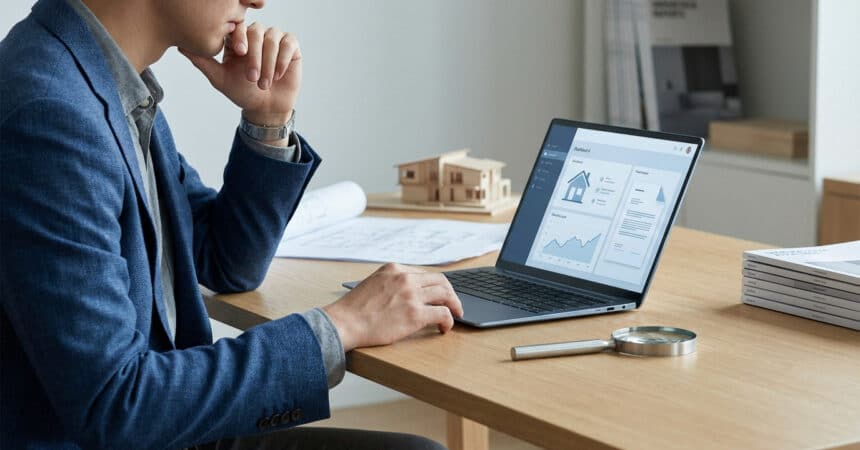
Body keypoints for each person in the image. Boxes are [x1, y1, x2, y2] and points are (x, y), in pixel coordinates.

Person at [0, 0, 462, 448]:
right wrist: (341, 327)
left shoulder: (102, 77)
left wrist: (268, 119)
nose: (257, 2)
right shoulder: (51, 113)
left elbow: (224, 260)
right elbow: (114, 404)